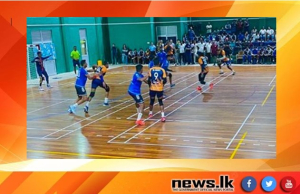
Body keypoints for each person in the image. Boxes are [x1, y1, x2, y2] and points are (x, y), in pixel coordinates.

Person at [148, 57, 167, 122]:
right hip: (159, 89)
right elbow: (165, 80)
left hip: (152, 88)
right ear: (159, 63)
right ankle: (162, 116)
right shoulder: (162, 70)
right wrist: (161, 84)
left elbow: (149, 79)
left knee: (151, 101)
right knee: (160, 102)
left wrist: (150, 86)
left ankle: (150, 113)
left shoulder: (151, 70)